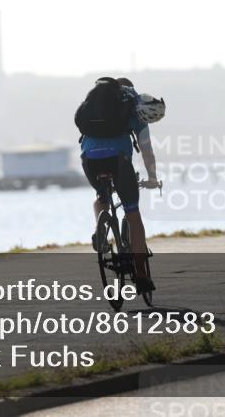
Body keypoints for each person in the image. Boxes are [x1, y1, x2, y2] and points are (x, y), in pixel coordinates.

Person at [76, 77, 165, 293]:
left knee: (101, 197)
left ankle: (100, 228)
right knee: (133, 215)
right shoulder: (134, 109)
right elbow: (147, 152)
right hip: (119, 161)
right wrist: (152, 178)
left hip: (89, 160)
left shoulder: (97, 105)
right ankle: (142, 275)